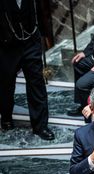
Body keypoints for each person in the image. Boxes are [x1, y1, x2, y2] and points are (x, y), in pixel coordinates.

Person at [0, 0, 55, 140]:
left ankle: (40, 126)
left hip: (31, 41)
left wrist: (45, 35)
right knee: (6, 84)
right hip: (7, 46)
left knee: (37, 83)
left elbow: (44, 12)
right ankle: (6, 117)